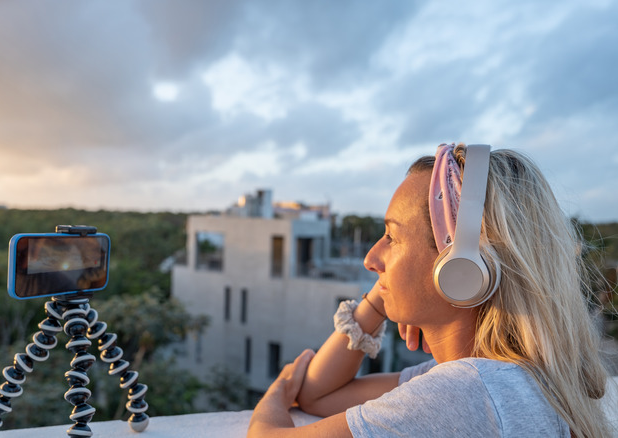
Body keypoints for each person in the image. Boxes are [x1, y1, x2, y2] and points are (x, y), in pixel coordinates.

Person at [248, 143, 614, 437]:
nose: (371, 258)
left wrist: (275, 392)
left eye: (391, 237)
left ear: (461, 271)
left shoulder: (465, 392)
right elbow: (318, 395)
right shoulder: (505, 380)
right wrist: (381, 297)